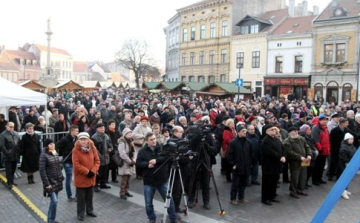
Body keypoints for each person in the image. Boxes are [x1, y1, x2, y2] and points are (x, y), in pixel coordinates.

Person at [136, 132, 180, 223]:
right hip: (149, 180)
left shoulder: (161, 148)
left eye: (154, 138)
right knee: (148, 203)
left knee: (169, 200)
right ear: (147, 141)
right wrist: (147, 165)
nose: (154, 141)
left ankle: (173, 217)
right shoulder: (142, 151)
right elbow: (138, 163)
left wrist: (156, 160)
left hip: (162, 179)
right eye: (151, 140)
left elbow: (166, 157)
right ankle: (152, 218)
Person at [72, 132, 100, 221]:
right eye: (81, 139)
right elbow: (76, 164)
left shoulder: (93, 148)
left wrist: (93, 171)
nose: (83, 141)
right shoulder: (76, 150)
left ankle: (90, 211)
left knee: (90, 196)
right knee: (81, 198)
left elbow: (97, 161)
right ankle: (80, 213)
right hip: (81, 177)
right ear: (78, 140)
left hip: (91, 177)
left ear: (88, 140)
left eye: (85, 139)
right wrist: (87, 172)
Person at [39, 138, 64, 223]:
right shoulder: (44, 155)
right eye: (50, 144)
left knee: (54, 201)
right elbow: (42, 171)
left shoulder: (55, 152)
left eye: (53, 143)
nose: (52, 145)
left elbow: (58, 167)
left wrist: (61, 176)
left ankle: (50, 219)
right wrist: (46, 184)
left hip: (57, 181)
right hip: (50, 182)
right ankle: (51, 219)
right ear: (47, 146)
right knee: (54, 201)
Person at [283, 127, 312, 199]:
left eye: (296, 131)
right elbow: (290, 152)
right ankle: (293, 191)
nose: (296, 132)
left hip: (305, 160)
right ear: (289, 133)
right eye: (294, 131)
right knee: (295, 177)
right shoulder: (287, 141)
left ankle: (300, 189)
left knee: (303, 176)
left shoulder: (301, 138)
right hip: (295, 162)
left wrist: (309, 154)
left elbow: (307, 147)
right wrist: (299, 157)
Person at [261, 124, 286, 205]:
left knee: (274, 181)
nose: (274, 131)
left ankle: (272, 196)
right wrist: (280, 157)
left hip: (276, 164)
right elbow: (269, 151)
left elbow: (283, 148)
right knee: (267, 182)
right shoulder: (265, 140)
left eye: (274, 130)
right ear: (267, 131)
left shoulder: (276, 139)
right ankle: (265, 198)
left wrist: (284, 156)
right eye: (272, 130)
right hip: (269, 165)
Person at [228, 125, 252, 205]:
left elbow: (250, 153)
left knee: (244, 183)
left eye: (245, 131)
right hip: (237, 167)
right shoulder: (233, 142)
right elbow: (230, 155)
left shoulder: (248, 142)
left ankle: (241, 197)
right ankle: (233, 198)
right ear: (238, 132)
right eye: (243, 131)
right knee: (235, 183)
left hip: (246, 166)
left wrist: (250, 163)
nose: (245, 132)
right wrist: (233, 164)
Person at [55, 125, 79, 201]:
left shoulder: (76, 139)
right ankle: (70, 195)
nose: (77, 132)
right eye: (76, 131)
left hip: (75, 161)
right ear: (72, 131)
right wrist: (63, 152)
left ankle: (77, 195)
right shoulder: (65, 139)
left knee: (77, 178)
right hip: (68, 161)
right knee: (68, 179)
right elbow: (57, 145)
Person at [91, 123, 113, 192]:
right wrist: (99, 156)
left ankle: (103, 183)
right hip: (99, 158)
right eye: (101, 128)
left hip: (106, 157)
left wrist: (110, 148)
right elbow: (94, 149)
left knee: (105, 172)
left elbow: (110, 144)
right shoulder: (94, 137)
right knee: (98, 172)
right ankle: (96, 185)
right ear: (97, 129)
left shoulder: (106, 136)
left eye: (103, 128)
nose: (103, 129)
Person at [0, 122, 20, 189]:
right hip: (8, 155)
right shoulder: (3, 135)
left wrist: (18, 152)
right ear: (7, 126)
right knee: (8, 169)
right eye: (10, 127)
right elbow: (2, 146)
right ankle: (9, 182)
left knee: (13, 168)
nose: (12, 128)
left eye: (13, 127)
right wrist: (7, 153)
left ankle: (12, 180)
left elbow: (18, 143)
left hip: (15, 154)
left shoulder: (16, 134)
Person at [311, 114, 330, 186]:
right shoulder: (316, 128)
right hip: (320, 150)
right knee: (317, 166)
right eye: (323, 120)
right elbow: (315, 139)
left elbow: (327, 139)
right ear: (320, 120)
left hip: (325, 150)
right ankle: (315, 179)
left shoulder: (325, 128)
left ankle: (319, 178)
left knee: (322, 165)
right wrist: (320, 148)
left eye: (326, 120)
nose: (325, 121)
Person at [118, 128, 135, 200]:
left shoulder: (130, 141)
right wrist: (129, 161)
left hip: (130, 161)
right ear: (125, 134)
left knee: (128, 177)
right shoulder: (122, 142)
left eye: (130, 133)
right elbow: (122, 154)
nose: (130, 135)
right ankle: (122, 192)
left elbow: (134, 151)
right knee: (124, 178)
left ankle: (126, 191)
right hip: (125, 162)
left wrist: (133, 159)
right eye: (128, 133)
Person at [338, 133, 356, 200]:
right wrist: (347, 162)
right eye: (351, 139)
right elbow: (343, 157)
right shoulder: (344, 147)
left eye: (353, 139)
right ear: (346, 139)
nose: (352, 140)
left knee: (348, 179)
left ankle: (345, 190)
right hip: (344, 165)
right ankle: (343, 192)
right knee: (345, 178)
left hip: (349, 164)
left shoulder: (351, 146)